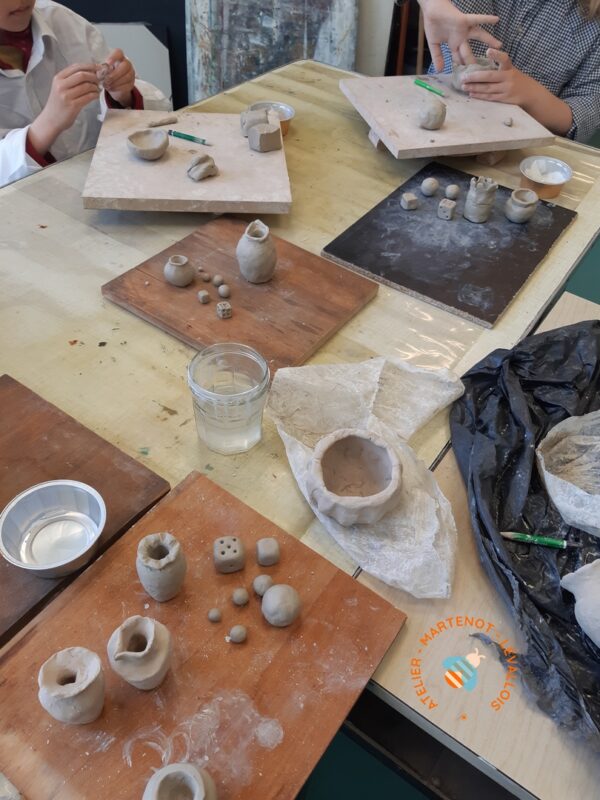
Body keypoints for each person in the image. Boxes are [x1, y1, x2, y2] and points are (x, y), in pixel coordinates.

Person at [0, 0, 170, 188]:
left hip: (108, 181)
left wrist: (123, 94)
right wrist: (46, 125)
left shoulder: (62, 21)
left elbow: (158, 109)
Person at [418, 0, 600, 141]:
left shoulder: (593, 26)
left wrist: (532, 96)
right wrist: (431, 4)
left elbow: (584, 115)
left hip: (520, 150)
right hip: (437, 126)